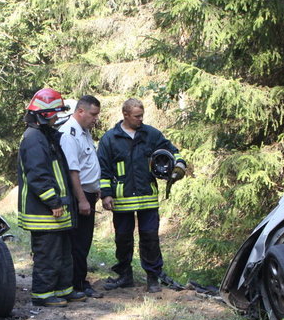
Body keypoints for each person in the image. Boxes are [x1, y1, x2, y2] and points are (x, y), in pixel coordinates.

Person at [97, 98, 186, 293]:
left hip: (147, 198)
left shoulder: (151, 134)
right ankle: (124, 275)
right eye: (136, 116)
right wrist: (106, 195)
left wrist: (179, 166)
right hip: (122, 200)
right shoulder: (109, 139)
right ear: (125, 115)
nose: (140, 119)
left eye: (142, 116)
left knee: (150, 238)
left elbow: (174, 152)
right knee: (123, 239)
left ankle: (153, 278)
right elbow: (103, 170)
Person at [17, 88, 86, 307]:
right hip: (43, 211)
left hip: (55, 209)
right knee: (48, 254)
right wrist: (53, 202)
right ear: (44, 114)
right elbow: (39, 176)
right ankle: (43, 294)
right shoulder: (33, 139)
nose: (57, 117)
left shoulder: (45, 136)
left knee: (63, 253)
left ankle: (62, 290)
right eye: (54, 113)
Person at [59, 95, 104, 299]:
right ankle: (77, 284)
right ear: (80, 111)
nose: (96, 119)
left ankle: (79, 281)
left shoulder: (84, 132)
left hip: (89, 192)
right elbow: (72, 171)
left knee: (84, 241)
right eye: (93, 114)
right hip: (80, 195)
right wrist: (82, 199)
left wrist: (97, 188)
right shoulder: (70, 134)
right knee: (78, 241)